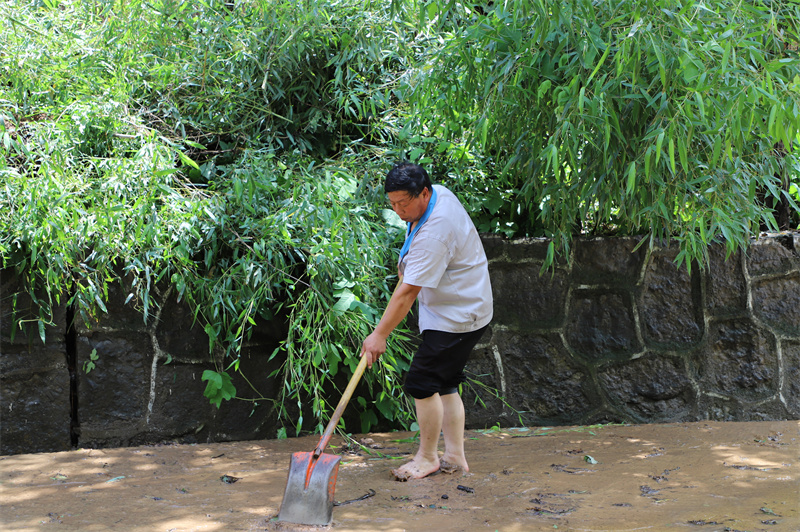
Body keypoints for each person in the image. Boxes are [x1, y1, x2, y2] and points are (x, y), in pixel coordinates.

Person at [361, 162, 493, 480]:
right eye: (391, 204)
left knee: (421, 382)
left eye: (402, 204)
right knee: (444, 383)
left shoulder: (436, 231)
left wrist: (379, 335)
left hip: (458, 314)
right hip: (458, 305)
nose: (397, 211)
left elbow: (406, 294)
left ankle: (427, 457)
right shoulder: (439, 195)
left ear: (423, 193)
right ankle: (455, 457)